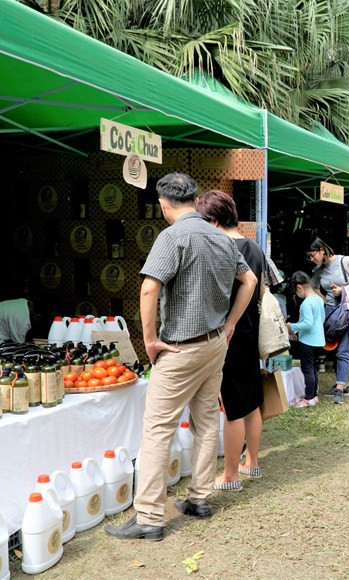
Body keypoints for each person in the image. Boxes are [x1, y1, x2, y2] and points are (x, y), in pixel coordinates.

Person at [105, 173, 257, 542]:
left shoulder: (172, 237)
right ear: (195, 199)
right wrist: (230, 323)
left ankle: (149, 517)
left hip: (180, 348)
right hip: (214, 345)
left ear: (163, 205)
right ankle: (199, 499)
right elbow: (250, 281)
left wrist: (150, 340)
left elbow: (149, 288)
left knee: (158, 429)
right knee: (205, 422)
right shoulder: (222, 237)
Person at [195, 190, 265, 493]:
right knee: (251, 401)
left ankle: (230, 475)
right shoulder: (255, 248)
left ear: (213, 220)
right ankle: (253, 462)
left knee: (233, 406)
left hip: (229, 333)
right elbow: (261, 291)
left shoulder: (220, 248)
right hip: (251, 331)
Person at [307, 237, 349, 405]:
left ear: (321, 250)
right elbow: (312, 287)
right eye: (309, 257)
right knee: (327, 346)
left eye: (312, 255)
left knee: (343, 350)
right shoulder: (319, 269)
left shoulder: (344, 261)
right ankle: (340, 384)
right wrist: (325, 301)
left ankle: (340, 389)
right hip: (331, 313)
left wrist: (343, 290)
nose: (311, 259)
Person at [287, 271, 326, 409]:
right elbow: (320, 320)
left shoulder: (306, 304)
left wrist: (291, 326)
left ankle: (308, 398)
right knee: (312, 368)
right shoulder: (319, 300)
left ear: (299, 287)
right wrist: (298, 331)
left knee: (307, 369)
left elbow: (307, 323)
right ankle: (313, 395)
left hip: (308, 342)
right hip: (318, 340)